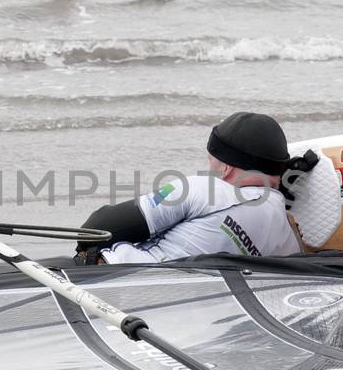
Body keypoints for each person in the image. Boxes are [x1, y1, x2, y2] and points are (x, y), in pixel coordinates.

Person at [75, 112, 316, 265]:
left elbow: (98, 227)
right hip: (190, 311)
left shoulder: (204, 190)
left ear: (227, 167)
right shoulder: (288, 240)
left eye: (211, 159)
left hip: (110, 282)